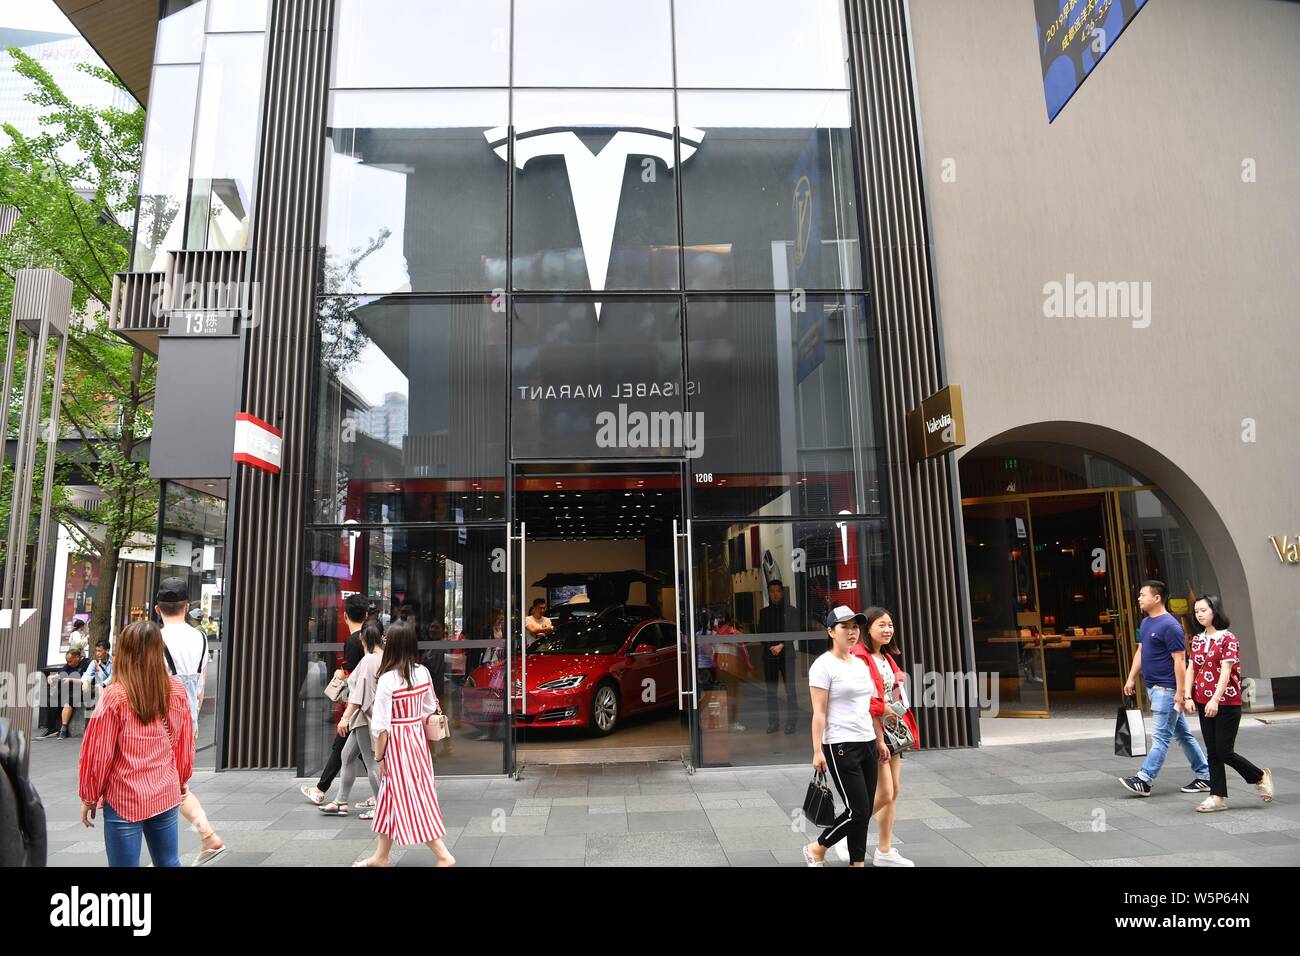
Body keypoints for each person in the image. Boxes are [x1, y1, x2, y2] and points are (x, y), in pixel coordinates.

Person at [78, 621, 194, 867]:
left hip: (125, 796)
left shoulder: (115, 695)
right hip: (164, 789)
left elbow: (99, 752)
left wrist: (89, 794)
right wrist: (181, 779)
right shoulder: (176, 690)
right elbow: (184, 741)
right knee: (169, 862)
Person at [354, 620, 455, 867]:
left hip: (397, 745)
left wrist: (379, 758)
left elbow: (381, 726)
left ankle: (443, 855)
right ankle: (380, 856)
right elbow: (430, 707)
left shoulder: (388, 679)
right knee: (393, 797)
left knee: (411, 798)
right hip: (417, 741)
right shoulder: (422, 672)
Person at [803, 606, 888, 867]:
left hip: (867, 743)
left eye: (855, 627)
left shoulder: (861, 664)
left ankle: (858, 863)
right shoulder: (822, 666)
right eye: (844, 627)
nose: (852, 632)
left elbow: (868, 706)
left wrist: (879, 740)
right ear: (830, 631)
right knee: (858, 811)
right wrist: (817, 750)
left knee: (861, 811)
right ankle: (817, 847)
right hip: (840, 745)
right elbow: (818, 713)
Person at [155, 577, 226, 865]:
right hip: (189, 721)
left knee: (168, 785)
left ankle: (206, 838)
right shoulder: (200, 637)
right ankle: (204, 838)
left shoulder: (153, 638)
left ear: (158, 608)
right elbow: (199, 686)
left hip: (160, 722)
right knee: (173, 783)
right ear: (186, 606)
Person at [1119, 580, 1211, 797]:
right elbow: (1141, 652)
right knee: (1183, 736)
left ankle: (1144, 779)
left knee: (1160, 738)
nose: (1139, 598)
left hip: (1167, 690)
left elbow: (1180, 661)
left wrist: (1180, 693)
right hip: (1155, 688)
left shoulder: (1171, 626)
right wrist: (1131, 678)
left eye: (1143, 595)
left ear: (1157, 598)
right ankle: (1206, 775)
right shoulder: (1147, 623)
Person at [1184, 595, 1273, 812]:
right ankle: (1218, 797)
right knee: (1212, 751)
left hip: (1226, 702)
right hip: (1203, 700)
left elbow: (1226, 671)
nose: (1200, 614)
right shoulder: (1198, 639)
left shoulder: (1228, 638)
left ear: (1215, 611)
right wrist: (1188, 696)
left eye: (1204, 610)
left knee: (1224, 751)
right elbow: (1191, 668)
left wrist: (1215, 699)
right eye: (1196, 611)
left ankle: (1259, 776)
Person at [850, 607, 918, 866]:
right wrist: (884, 708)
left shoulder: (885, 656)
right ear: (868, 629)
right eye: (882, 625)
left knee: (894, 790)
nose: (888, 629)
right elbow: (861, 697)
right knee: (885, 792)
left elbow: (894, 691)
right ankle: (844, 834)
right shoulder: (860, 656)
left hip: (892, 730)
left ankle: (885, 851)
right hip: (873, 729)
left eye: (890, 624)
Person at [302, 593, 371, 808]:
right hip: (363, 704)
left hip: (357, 704)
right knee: (352, 751)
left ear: (344, 616)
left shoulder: (353, 640)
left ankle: (323, 790)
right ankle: (323, 790)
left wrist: (342, 674)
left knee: (355, 752)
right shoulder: (370, 638)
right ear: (367, 615)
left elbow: (355, 675)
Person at [319, 619, 385, 818]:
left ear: (362, 638)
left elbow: (360, 696)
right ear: (382, 637)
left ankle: (381, 806)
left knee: (371, 761)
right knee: (346, 755)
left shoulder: (368, 661)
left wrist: (344, 718)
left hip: (365, 717)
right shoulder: (385, 658)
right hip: (370, 717)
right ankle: (340, 801)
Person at [758, 580, 801, 734]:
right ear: (768, 594)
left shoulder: (792, 611)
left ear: (783, 592)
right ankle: (773, 722)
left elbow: (795, 631)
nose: (775, 594)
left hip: (787, 655)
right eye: (772, 591)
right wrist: (771, 646)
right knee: (771, 691)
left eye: (778, 591)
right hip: (769, 656)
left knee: (791, 690)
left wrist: (781, 645)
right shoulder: (764, 612)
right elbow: (761, 634)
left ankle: (791, 723)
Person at [711, 613, 751, 732]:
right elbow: (744, 649)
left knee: (720, 696)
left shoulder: (715, 634)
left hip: (720, 667)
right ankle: (732, 722)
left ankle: (719, 721)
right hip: (732, 667)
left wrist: (714, 665)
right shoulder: (734, 632)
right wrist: (748, 665)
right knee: (733, 696)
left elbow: (713, 653)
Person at [39, 648, 88, 739]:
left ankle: (63, 729)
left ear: (77, 657)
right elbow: (60, 674)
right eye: (67, 661)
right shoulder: (68, 665)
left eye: (70, 661)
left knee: (68, 701)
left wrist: (70, 679)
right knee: (51, 700)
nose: (69, 663)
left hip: (80, 689)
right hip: (67, 688)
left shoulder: (86, 663)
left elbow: (87, 679)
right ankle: (52, 728)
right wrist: (51, 676)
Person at [81, 639, 113, 707]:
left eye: (100, 651)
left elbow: (113, 676)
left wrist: (102, 685)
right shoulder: (95, 662)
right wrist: (85, 681)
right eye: (96, 650)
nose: (97, 653)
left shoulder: (115, 662)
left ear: (107, 650)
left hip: (110, 689)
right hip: (99, 689)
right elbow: (87, 674)